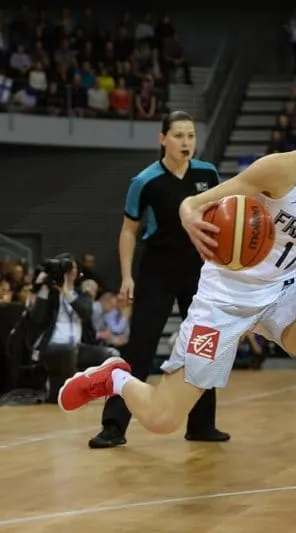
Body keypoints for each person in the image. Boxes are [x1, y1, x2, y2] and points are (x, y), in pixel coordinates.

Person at [58, 88, 296, 526]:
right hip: (224, 298)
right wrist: (191, 215)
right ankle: (114, 378)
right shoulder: (285, 169)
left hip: (284, 293)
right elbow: (195, 203)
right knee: (162, 419)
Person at [88, 111, 230, 448]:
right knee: (140, 345)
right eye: (178, 135)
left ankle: (202, 424)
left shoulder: (207, 173)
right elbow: (128, 231)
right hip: (157, 269)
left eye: (190, 135)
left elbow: (221, 217)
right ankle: (113, 426)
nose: (186, 142)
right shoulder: (145, 181)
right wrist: (127, 276)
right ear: (163, 139)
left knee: (204, 343)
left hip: (199, 269)